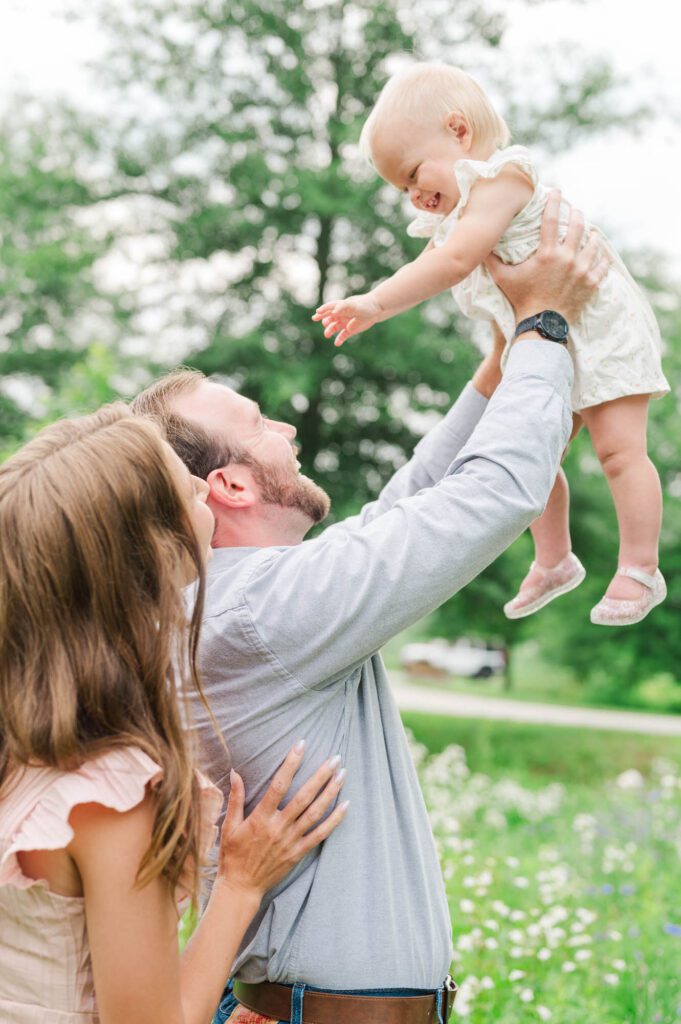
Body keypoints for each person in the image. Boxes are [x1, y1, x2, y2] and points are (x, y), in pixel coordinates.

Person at [130, 193, 605, 1024]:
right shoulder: (260, 613)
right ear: (231, 485)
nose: (284, 423)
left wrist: (498, 363)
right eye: (259, 424)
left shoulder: (241, 603)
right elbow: (490, 496)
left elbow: (401, 512)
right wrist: (546, 327)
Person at [0, 405, 349, 1024]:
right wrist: (241, 885)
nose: (201, 484)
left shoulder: (21, 750)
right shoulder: (110, 796)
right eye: (183, 484)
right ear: (148, 554)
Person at [313, 62, 669, 628]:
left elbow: (452, 262)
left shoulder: (504, 177)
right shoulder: (459, 211)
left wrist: (376, 304)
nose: (413, 196)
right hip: (541, 336)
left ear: (458, 132)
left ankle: (640, 568)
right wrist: (376, 299)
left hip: (599, 327)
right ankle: (554, 559)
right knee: (533, 453)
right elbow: (438, 256)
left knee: (618, 451)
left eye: (412, 174)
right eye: (401, 189)